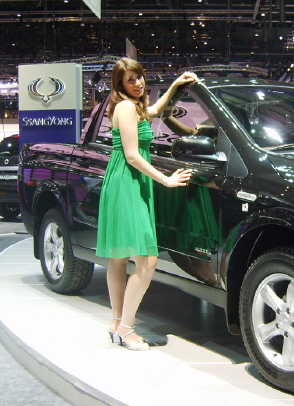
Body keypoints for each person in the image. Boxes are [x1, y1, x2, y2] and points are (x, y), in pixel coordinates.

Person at [96, 58, 196, 351]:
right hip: (127, 181)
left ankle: (117, 322)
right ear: (119, 83)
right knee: (147, 260)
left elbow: (154, 111)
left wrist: (174, 86)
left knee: (119, 257)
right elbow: (132, 155)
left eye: (139, 77)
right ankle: (127, 329)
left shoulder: (133, 106)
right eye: (130, 79)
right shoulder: (126, 107)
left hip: (126, 180)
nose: (138, 83)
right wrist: (165, 180)